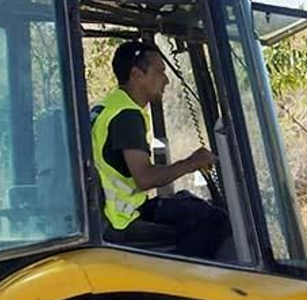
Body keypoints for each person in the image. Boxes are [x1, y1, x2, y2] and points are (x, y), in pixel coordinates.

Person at [91, 40, 230, 259]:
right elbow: (145, 178)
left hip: (116, 211)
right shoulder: (127, 115)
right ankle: (183, 281)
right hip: (124, 218)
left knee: (187, 199)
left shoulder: (108, 106)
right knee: (216, 220)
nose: (166, 80)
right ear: (137, 75)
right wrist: (192, 162)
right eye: (159, 72)